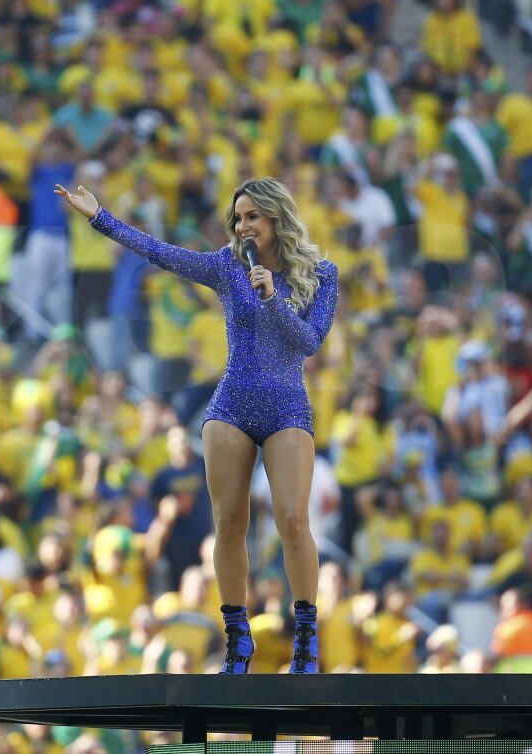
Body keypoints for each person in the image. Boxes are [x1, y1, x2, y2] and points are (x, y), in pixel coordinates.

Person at [54, 177, 339, 674]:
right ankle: (237, 641)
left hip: (288, 407)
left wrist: (273, 298)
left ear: (276, 218)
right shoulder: (228, 267)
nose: (242, 225)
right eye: (238, 217)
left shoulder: (321, 273)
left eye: (252, 216)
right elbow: (161, 253)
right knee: (229, 523)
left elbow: (309, 342)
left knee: (294, 520)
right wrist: (100, 218)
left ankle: (306, 643)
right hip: (230, 405)